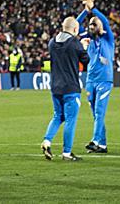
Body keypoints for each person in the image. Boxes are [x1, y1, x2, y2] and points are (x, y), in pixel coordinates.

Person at [40, 15, 89, 162]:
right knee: (70, 120)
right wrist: (84, 47)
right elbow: (86, 61)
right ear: (75, 29)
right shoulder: (75, 43)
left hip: (55, 87)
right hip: (71, 87)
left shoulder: (52, 42)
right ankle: (67, 153)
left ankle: (47, 141)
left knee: (58, 116)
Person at [77, 0, 115, 154]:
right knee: (95, 113)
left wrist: (94, 10)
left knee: (100, 111)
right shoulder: (88, 39)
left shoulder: (107, 38)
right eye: (90, 24)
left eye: (95, 23)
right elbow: (75, 25)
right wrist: (86, 12)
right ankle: (103, 145)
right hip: (91, 80)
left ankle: (95, 140)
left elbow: (104, 21)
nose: (92, 25)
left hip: (105, 80)